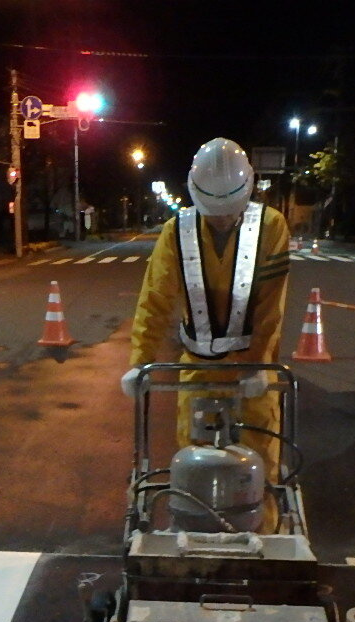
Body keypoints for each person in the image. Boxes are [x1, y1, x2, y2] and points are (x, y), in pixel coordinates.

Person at [120, 137, 291, 532]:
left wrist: (260, 366)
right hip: (196, 369)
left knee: (259, 463)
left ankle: (262, 544)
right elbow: (155, 299)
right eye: (212, 213)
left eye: (227, 213)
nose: (219, 219)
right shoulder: (174, 232)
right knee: (194, 464)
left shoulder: (271, 226)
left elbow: (270, 306)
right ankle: (196, 540)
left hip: (250, 368)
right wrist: (140, 362)